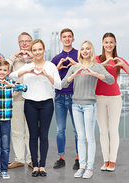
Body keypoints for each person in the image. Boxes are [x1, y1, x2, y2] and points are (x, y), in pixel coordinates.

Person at [61, 41, 114, 179]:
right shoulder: (74, 67)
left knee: (90, 138)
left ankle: (89, 168)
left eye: (87, 49)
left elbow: (111, 79)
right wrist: (74, 75)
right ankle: (82, 167)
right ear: (80, 51)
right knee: (80, 137)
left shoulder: (96, 66)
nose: (85, 51)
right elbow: (62, 84)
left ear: (91, 51)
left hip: (90, 105)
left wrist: (94, 74)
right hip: (76, 105)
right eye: (82, 49)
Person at [9, 39, 62, 177]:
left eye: (40, 49)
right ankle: (34, 165)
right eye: (35, 50)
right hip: (30, 104)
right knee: (33, 135)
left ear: (44, 50)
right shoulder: (28, 66)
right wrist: (27, 70)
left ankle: (42, 166)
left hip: (47, 104)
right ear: (31, 52)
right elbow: (11, 76)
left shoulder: (50, 66)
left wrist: (46, 74)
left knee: (43, 135)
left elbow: (59, 85)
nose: (37, 52)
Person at [95, 33, 129, 171]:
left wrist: (124, 65)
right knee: (103, 131)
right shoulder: (97, 59)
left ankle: (112, 161)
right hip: (99, 98)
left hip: (114, 98)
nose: (108, 45)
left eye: (111, 42)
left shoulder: (119, 60)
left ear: (115, 44)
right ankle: (105, 160)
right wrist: (103, 64)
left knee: (113, 130)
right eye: (106, 42)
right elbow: (91, 71)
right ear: (102, 43)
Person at [51, 28, 79, 170]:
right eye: (64, 37)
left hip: (75, 96)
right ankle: (61, 158)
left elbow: (85, 70)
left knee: (77, 130)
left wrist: (75, 64)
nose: (67, 39)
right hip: (59, 97)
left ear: (73, 39)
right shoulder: (56, 58)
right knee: (60, 130)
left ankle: (78, 158)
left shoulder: (79, 55)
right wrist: (58, 67)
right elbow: (50, 77)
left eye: (69, 37)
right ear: (61, 40)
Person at [7, 32, 34, 169]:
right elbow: (4, 71)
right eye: (22, 41)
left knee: (31, 131)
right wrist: (14, 56)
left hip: (32, 100)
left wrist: (33, 58)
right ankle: (19, 159)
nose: (24, 43)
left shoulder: (36, 58)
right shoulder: (14, 60)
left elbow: (43, 68)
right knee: (17, 130)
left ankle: (31, 159)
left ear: (31, 42)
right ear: (18, 44)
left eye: (27, 41)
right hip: (16, 99)